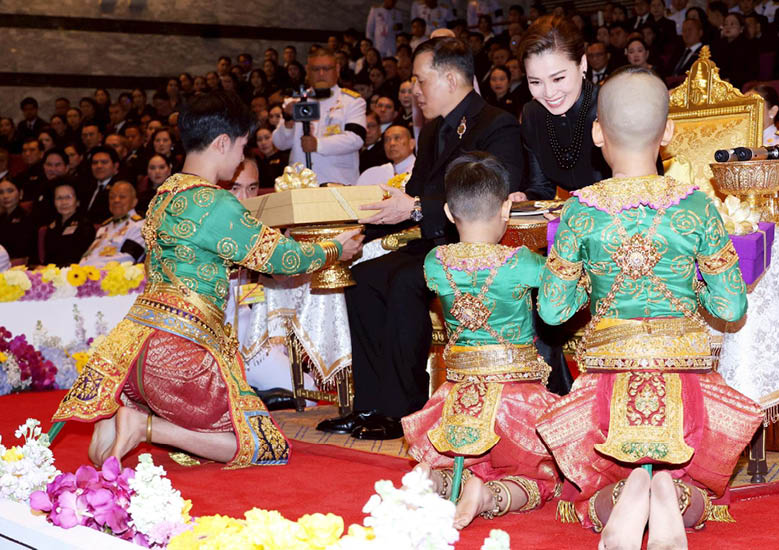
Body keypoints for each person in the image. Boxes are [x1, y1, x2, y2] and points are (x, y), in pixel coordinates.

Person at [53, 90, 364, 469]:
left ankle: (121, 417)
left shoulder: (163, 195)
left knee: (117, 448)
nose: (240, 158)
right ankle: (143, 426)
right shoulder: (214, 202)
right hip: (178, 354)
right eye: (241, 146)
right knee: (265, 445)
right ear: (222, 142)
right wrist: (333, 249)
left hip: (131, 349)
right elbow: (283, 259)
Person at [535, 67, 762, 547]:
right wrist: (691, 288)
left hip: (605, 386)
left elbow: (553, 313)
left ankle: (629, 489)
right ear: (669, 133)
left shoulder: (580, 209)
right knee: (703, 498)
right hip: (687, 385)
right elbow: (731, 303)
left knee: (589, 498)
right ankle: (668, 489)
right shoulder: (697, 205)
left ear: (598, 132)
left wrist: (588, 288)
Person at [321, 37, 524, 440]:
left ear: (449, 78)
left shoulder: (496, 124)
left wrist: (414, 209)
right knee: (363, 278)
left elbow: (489, 194)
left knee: (403, 282)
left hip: (473, 245)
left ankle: (403, 411)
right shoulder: (433, 131)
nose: (415, 89)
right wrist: (362, 228)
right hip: (432, 240)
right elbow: (414, 194)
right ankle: (371, 405)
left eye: (420, 79)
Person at [401, 152, 560, 530]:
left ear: (449, 213)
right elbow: (561, 285)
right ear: (507, 207)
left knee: (455, 459)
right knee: (546, 476)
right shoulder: (519, 261)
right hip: (515, 399)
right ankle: (489, 496)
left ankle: (433, 480)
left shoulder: (435, 261)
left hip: (457, 396)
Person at [514, 16, 610, 200]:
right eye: (535, 82)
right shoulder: (533, 114)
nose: (549, 93)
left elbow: (640, 184)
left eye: (558, 78)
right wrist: (525, 199)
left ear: (582, 64)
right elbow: (541, 187)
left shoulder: (610, 106)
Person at [273, 47, 367, 185]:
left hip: (338, 183)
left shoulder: (352, 101)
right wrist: (288, 121)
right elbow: (280, 144)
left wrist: (319, 144)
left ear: (337, 69)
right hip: (300, 185)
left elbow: (356, 138)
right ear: (307, 70)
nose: (321, 74)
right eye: (315, 69)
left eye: (327, 68)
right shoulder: (295, 103)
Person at [79, 181, 146, 268]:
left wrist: (91, 267)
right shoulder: (104, 228)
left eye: (122, 197)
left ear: (134, 202)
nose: (116, 200)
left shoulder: (140, 226)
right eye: (112, 197)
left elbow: (128, 258)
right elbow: (89, 255)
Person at [42, 181, 96, 267]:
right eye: (59, 198)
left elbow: (81, 259)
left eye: (68, 197)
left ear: (78, 201)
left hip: (74, 273)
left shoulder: (85, 226)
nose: (64, 202)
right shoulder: (52, 226)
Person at [79, 146, 120, 223]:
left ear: (115, 166)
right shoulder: (86, 186)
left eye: (104, 162)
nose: (99, 166)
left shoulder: (120, 187)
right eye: (95, 163)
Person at [0, 178, 36, 265]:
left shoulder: (28, 218)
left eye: (10, 191)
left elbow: (25, 253)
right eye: (1, 192)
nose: (5, 196)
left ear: (21, 193)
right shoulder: (1, 218)